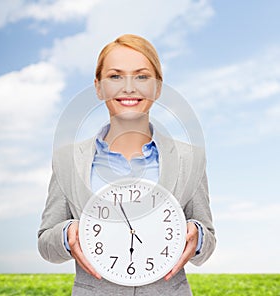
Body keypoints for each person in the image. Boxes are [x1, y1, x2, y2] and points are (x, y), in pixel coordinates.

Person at [38, 34, 216, 296]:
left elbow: (208, 241)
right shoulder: (68, 159)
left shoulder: (188, 158)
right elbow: (45, 244)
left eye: (142, 76)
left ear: (157, 88)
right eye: (115, 76)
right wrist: (67, 234)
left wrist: (197, 236)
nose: (129, 88)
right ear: (98, 88)